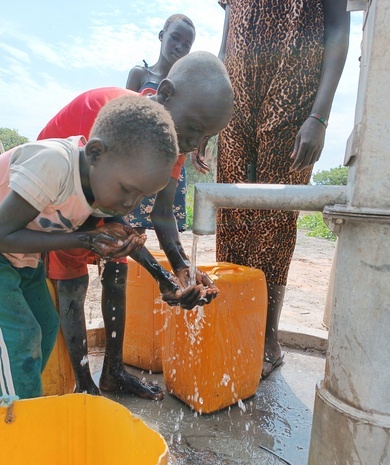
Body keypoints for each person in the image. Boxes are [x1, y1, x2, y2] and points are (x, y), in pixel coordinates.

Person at [38, 51, 234, 399]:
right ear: (167, 92)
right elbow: (101, 212)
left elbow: (162, 212)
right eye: (193, 129)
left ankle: (113, 372)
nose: (194, 143)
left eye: (206, 137)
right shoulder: (116, 118)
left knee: (117, 268)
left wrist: (182, 268)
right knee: (73, 281)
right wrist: (163, 279)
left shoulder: (174, 140)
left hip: (100, 199)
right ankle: (85, 387)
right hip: (56, 196)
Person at [0, 95, 179, 400]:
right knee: (22, 335)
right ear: (95, 152)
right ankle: (16, 420)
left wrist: (111, 242)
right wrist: (85, 240)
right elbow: (3, 233)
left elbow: (81, 224)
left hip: (22, 258)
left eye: (139, 198)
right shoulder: (53, 164)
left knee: (45, 324)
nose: (128, 204)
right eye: (126, 190)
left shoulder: (98, 187)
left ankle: (19, 397)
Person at [216, 0, 350, 378]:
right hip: (235, 99)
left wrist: (319, 116)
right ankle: (232, 326)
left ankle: (268, 340)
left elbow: (338, 32)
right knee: (231, 214)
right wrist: (211, 113)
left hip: (294, 90)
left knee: (274, 221)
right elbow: (225, 46)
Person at [125, 13, 196, 234]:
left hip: (171, 167)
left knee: (167, 225)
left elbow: (191, 127)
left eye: (187, 44)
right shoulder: (140, 75)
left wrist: (197, 150)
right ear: (162, 35)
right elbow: (122, 118)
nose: (180, 47)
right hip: (137, 165)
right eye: (175, 38)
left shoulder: (185, 87)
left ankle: (177, 268)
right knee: (131, 231)